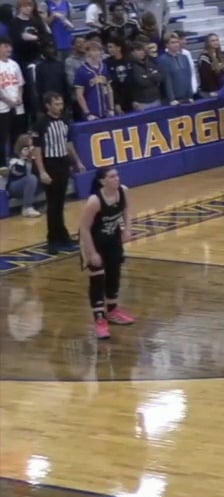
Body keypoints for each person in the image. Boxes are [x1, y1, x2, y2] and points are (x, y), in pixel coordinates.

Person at [78, 167, 135, 339]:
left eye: (117, 175)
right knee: (97, 278)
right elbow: (84, 228)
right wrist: (92, 253)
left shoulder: (123, 191)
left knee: (114, 273)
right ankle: (99, 320)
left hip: (112, 238)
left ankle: (112, 310)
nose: (116, 178)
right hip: (92, 241)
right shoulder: (95, 201)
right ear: (102, 181)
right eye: (111, 177)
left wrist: (127, 229)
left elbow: (126, 210)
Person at [32, 92, 85, 248]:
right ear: (48, 106)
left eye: (61, 104)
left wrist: (77, 162)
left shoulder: (65, 120)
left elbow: (68, 144)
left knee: (61, 202)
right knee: (52, 203)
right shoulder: (41, 124)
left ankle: (62, 235)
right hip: (50, 163)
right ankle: (52, 239)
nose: (59, 107)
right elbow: (37, 150)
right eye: (56, 104)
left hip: (63, 162)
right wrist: (42, 171)